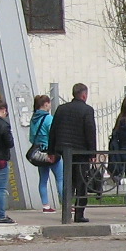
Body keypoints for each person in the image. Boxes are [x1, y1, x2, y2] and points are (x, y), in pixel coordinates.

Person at [49, 82, 96, 223]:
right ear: (84, 95)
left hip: (65, 151)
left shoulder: (61, 109)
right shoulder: (87, 110)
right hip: (81, 152)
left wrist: (51, 151)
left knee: (69, 182)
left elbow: (53, 130)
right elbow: (90, 132)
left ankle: (66, 212)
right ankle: (79, 214)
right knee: (81, 183)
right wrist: (92, 153)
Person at [29, 94, 61, 211]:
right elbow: (54, 135)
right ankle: (67, 205)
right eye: (49, 104)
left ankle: (45, 206)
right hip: (51, 151)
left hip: (39, 153)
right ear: (45, 104)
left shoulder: (33, 119)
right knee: (60, 178)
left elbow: (31, 139)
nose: (50, 106)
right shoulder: (49, 119)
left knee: (43, 180)